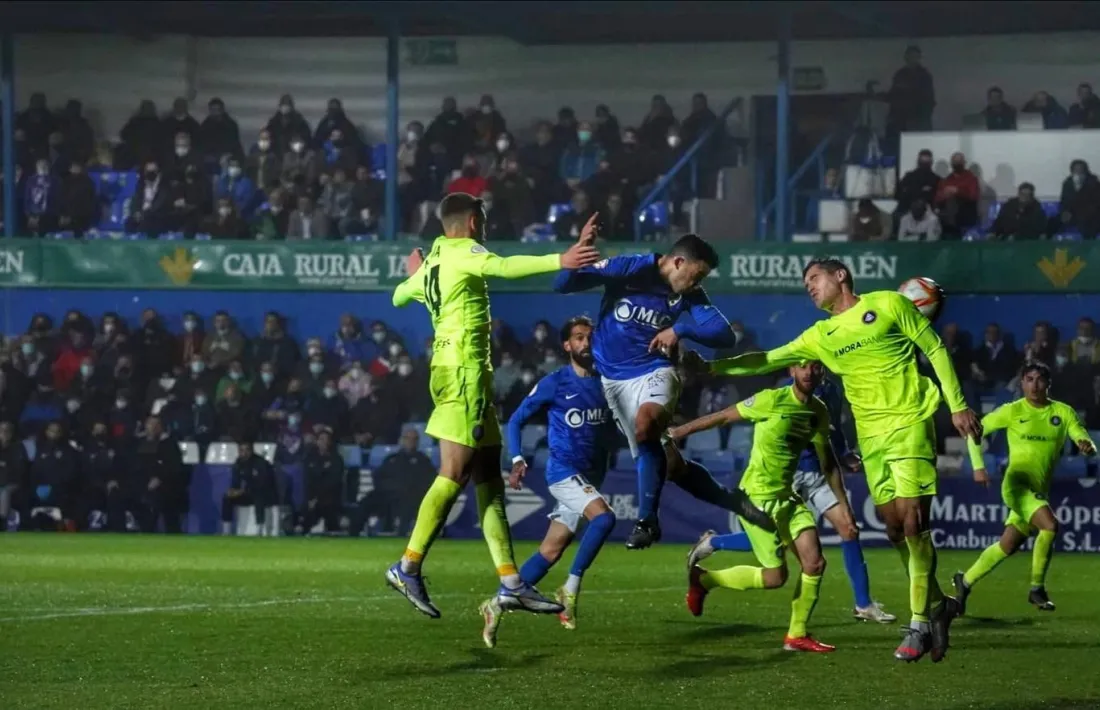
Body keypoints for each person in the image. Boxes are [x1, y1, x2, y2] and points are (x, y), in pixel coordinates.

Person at [688, 258, 982, 663]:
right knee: (895, 528)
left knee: (914, 521)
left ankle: (918, 625)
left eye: (814, 278)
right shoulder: (820, 335)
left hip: (910, 424)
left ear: (840, 275)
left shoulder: (889, 303)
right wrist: (710, 367)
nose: (808, 286)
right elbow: (766, 359)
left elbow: (934, 348)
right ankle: (939, 605)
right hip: (871, 439)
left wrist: (958, 405)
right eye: (805, 282)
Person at [384, 191, 600, 621]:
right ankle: (407, 566)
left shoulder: (434, 261)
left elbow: (398, 296)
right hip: (463, 373)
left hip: (457, 373)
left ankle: (511, 582)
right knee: (454, 473)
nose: (484, 228)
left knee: (488, 481)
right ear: (469, 223)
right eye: (481, 221)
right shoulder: (464, 252)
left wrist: (417, 275)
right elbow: (504, 267)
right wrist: (560, 260)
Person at [552, 234, 770, 550]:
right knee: (672, 466)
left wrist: (680, 328)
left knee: (646, 426)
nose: (697, 283)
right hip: (614, 381)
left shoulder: (689, 294)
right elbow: (562, 285)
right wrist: (573, 259)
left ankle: (646, 521)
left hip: (656, 370)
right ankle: (734, 501)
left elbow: (724, 335)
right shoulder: (631, 268)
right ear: (678, 262)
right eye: (696, 274)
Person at [690, 369, 896, 623]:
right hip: (789, 475)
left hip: (817, 474)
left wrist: (843, 453)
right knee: (777, 541)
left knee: (849, 529)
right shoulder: (787, 390)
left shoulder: (831, 390)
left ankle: (863, 604)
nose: (812, 369)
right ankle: (715, 543)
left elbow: (832, 430)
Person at [676, 362, 836, 652]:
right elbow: (724, 416)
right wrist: (679, 432)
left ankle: (796, 635)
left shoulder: (818, 411)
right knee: (776, 578)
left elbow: (826, 454)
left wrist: (842, 491)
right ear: (792, 371)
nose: (808, 373)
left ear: (822, 373)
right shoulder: (770, 400)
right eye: (802, 367)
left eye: (815, 368)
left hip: (788, 497)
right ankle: (706, 580)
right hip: (757, 499)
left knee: (814, 563)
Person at [481, 316, 616, 647]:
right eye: (579, 337)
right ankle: (570, 589)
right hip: (563, 472)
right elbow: (516, 420)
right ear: (567, 345)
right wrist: (517, 458)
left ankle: (495, 604)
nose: (586, 342)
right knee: (604, 518)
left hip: (591, 475)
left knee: (552, 549)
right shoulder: (555, 382)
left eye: (590, 337)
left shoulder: (609, 379)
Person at [954, 362, 1096, 613]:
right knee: (1050, 525)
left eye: (1039, 380)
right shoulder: (1012, 410)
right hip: (1016, 485)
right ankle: (1036, 589)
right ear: (1021, 383)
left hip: (1038, 490)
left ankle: (964, 582)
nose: (1034, 385)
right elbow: (974, 432)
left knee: (1007, 546)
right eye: (1029, 379)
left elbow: (1082, 437)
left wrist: (1087, 446)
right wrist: (978, 467)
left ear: (1048, 384)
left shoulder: (1063, 412)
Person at [222, 441, 278, 536]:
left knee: (259, 496)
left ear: (251, 451)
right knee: (226, 497)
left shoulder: (260, 462)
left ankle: (260, 528)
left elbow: (262, 484)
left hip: (264, 494)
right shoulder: (238, 463)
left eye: (246, 450)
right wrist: (232, 491)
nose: (243, 453)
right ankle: (226, 530)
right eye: (241, 450)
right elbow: (236, 481)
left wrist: (242, 491)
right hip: (245, 494)